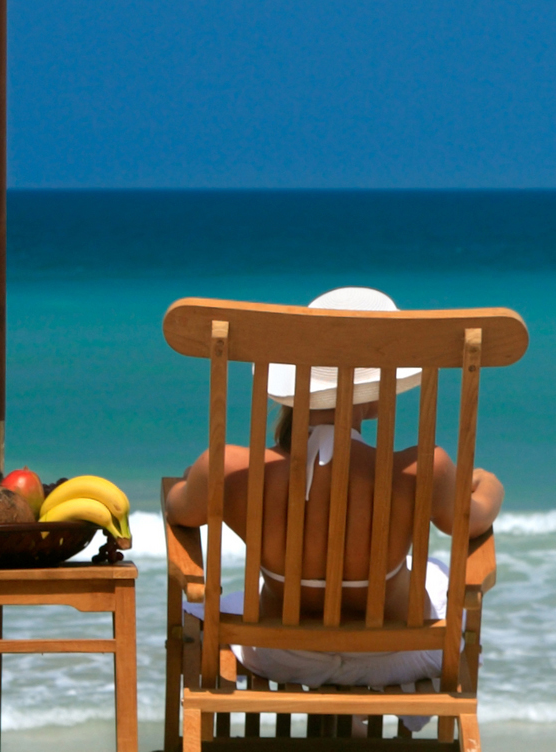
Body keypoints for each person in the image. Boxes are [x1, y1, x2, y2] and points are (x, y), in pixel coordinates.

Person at [163, 286, 501, 688]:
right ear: (379, 387)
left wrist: (192, 477)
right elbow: (473, 521)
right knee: (437, 572)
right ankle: (365, 718)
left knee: (243, 596)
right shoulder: (424, 469)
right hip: (394, 654)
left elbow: (178, 509)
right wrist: (487, 483)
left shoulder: (229, 469)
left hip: (281, 654)